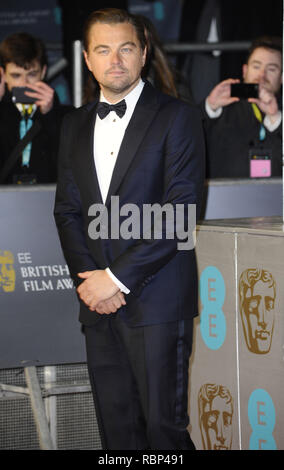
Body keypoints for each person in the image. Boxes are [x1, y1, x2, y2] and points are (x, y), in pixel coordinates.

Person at [54, 8, 205, 450]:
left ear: (143, 54)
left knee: (164, 435)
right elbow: (67, 212)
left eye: (125, 48)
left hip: (158, 299)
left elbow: (180, 213)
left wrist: (115, 279)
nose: (114, 59)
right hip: (98, 306)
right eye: (103, 49)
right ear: (87, 58)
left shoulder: (178, 117)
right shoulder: (73, 125)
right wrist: (91, 281)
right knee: (118, 438)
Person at [201, 36, 282, 179]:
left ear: (282, 77)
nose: (262, 75)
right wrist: (210, 107)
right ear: (245, 71)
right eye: (256, 66)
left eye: (271, 69)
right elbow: (187, 138)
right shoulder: (221, 109)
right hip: (224, 197)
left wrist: (275, 119)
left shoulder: (280, 116)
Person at [0, 32, 72, 184]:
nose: (25, 83)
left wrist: (50, 116)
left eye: (32, 74)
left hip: (49, 200)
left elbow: (70, 166)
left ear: (43, 72)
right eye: (16, 75)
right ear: (3, 75)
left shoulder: (67, 116)